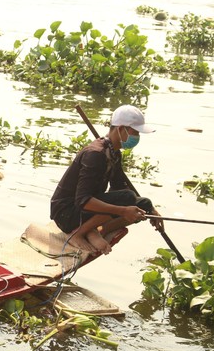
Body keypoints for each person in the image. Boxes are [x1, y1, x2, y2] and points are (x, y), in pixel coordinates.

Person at [50, 105, 164, 254]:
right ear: (121, 129)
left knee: (142, 204)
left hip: (83, 210)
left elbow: (118, 187)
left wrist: (150, 209)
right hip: (66, 213)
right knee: (127, 199)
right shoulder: (95, 154)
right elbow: (82, 200)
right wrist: (123, 210)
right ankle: (77, 234)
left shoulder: (114, 153)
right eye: (135, 132)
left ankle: (97, 230)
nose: (137, 137)